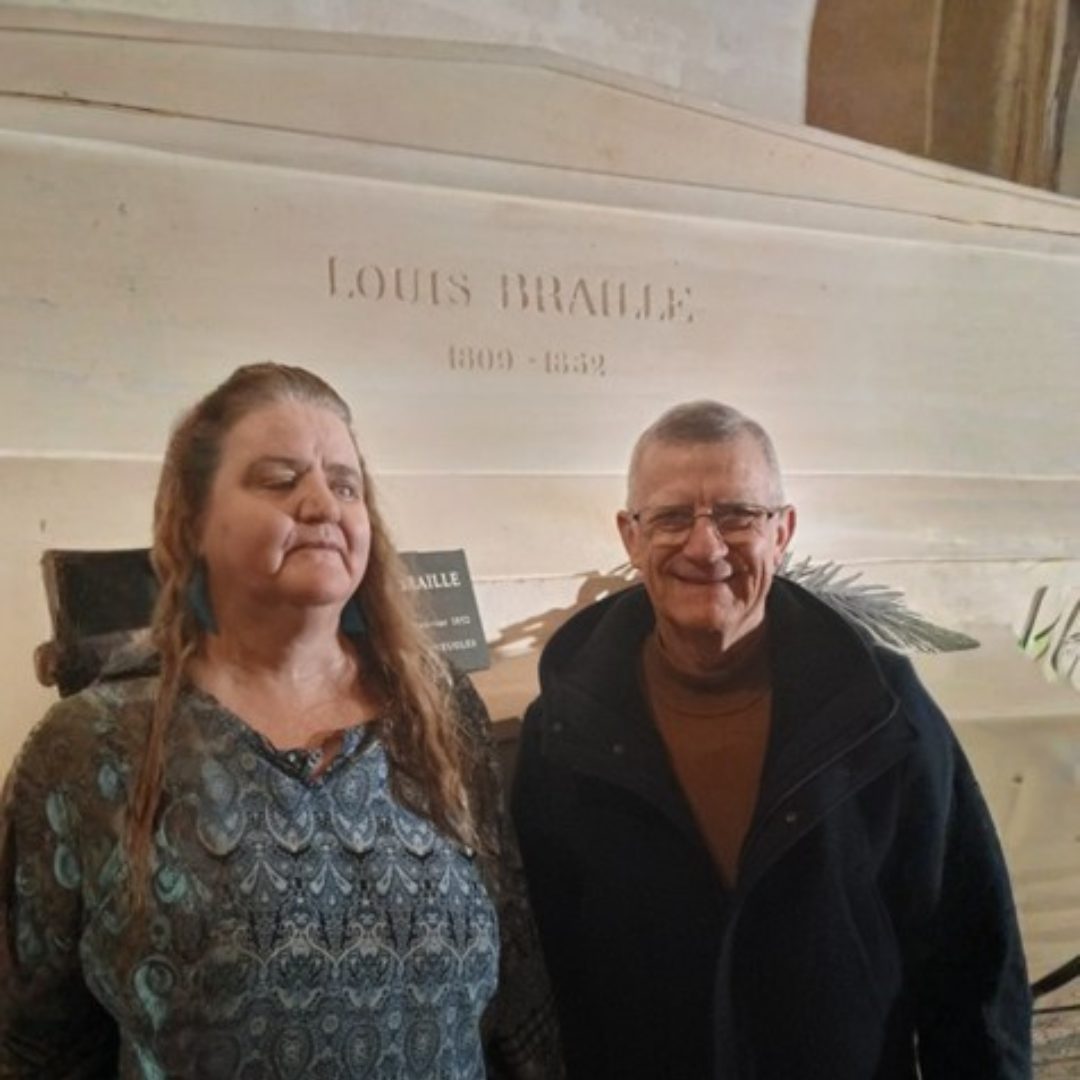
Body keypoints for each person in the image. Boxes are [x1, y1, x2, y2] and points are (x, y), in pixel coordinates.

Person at [0, 363, 562, 1079]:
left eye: (346, 484)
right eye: (278, 478)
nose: (322, 503)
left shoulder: (439, 707)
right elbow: (36, 1040)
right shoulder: (91, 745)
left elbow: (516, 987)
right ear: (193, 520)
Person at [511, 400, 1031, 1080]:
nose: (705, 546)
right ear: (630, 536)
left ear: (782, 531)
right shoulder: (563, 732)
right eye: (671, 517)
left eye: (737, 514)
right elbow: (546, 972)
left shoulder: (881, 712)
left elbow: (970, 957)